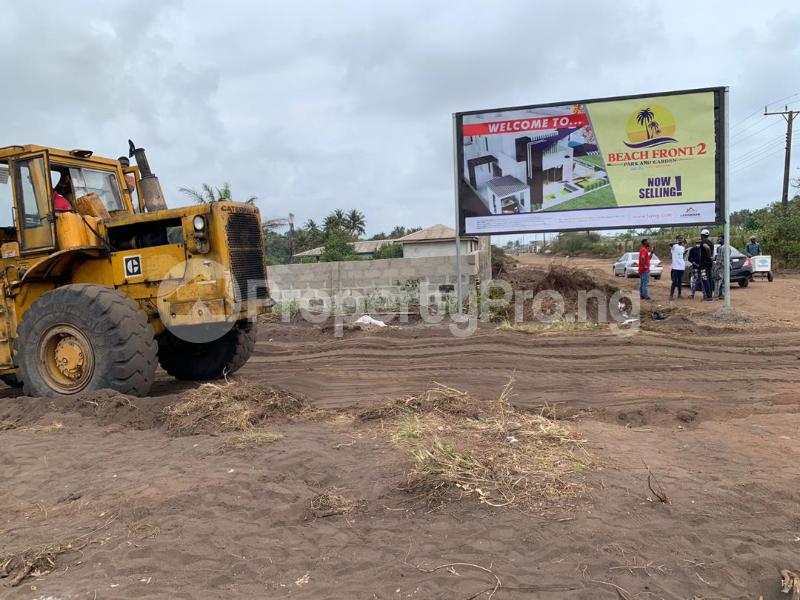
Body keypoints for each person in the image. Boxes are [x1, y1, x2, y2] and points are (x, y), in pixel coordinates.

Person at [699, 228, 714, 301]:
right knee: (709, 278)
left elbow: (707, 248)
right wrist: (711, 257)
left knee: (704, 278)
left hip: (704, 264)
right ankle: (710, 295)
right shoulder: (711, 242)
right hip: (709, 264)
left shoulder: (703, 241)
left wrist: (709, 256)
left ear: (702, 235)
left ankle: (708, 297)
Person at [670, 234, 686, 300]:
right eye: (679, 238)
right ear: (677, 239)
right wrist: (678, 242)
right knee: (674, 281)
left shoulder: (683, 247)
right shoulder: (674, 246)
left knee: (680, 281)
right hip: (675, 267)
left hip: (681, 267)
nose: (681, 239)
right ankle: (671, 295)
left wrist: (683, 242)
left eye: (682, 238)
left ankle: (679, 294)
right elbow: (670, 244)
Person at [712, 235, 726, 300]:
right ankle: (722, 295)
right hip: (725, 267)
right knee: (723, 282)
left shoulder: (722, 248)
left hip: (720, 267)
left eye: (720, 239)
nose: (718, 240)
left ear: (724, 239)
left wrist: (717, 268)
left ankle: (716, 296)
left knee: (717, 281)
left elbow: (721, 260)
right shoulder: (727, 247)